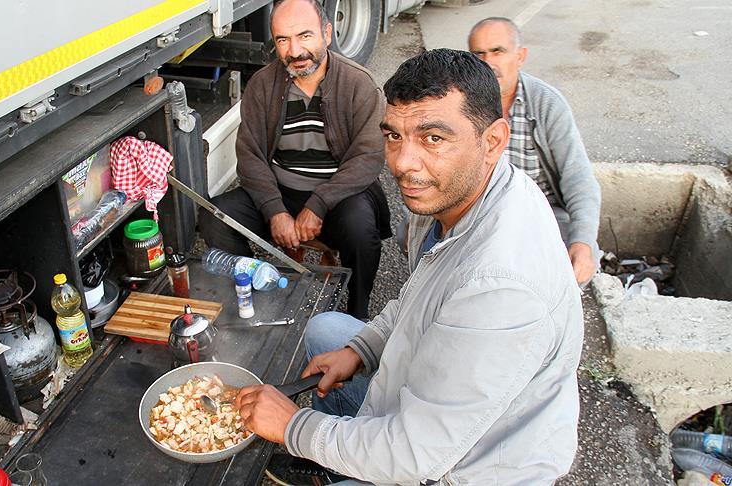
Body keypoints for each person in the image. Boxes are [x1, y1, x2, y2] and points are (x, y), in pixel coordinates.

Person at [234, 49, 584, 485]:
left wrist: (293, 427)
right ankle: (336, 461)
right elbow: (416, 295)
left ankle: (341, 464)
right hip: (439, 396)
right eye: (394, 136)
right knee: (328, 331)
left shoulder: (501, 289)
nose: (402, 164)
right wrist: (359, 351)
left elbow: (417, 453)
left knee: (352, 441)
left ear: (492, 140)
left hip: (466, 465)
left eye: (433, 138)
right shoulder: (453, 192)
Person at [198, 0, 391, 319]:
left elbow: (369, 156)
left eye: (305, 36)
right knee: (216, 219)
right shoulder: (262, 84)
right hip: (281, 190)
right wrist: (275, 211)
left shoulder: (360, 85)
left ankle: (357, 318)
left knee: (360, 229)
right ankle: (260, 295)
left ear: (327, 34)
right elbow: (249, 155)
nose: (295, 50)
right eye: (282, 40)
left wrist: (318, 204)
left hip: (338, 195)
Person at [468, 17, 602, 286]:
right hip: (477, 210)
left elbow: (578, 177)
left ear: (520, 56)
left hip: (542, 211)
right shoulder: (461, 102)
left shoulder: (546, 103)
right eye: (479, 54)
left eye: (498, 51)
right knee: (416, 236)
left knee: (574, 262)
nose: (488, 62)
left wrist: (584, 242)